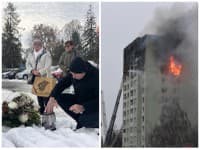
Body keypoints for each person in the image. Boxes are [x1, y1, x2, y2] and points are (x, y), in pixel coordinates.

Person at [45, 57, 99, 129]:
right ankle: (79, 120)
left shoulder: (96, 76)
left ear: (83, 72)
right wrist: (52, 97)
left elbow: (98, 101)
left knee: (85, 120)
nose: (73, 77)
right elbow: (62, 84)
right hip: (79, 99)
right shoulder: (74, 72)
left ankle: (86, 121)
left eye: (75, 75)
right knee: (60, 97)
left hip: (93, 106)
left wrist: (83, 107)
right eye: (71, 74)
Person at [26, 39, 52, 114]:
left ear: (41, 45)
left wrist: (39, 72)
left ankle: (48, 112)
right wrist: (32, 70)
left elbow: (48, 65)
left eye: (38, 44)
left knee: (46, 96)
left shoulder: (46, 54)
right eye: (35, 44)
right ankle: (41, 110)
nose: (36, 46)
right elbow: (27, 64)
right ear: (33, 45)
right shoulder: (30, 53)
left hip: (44, 77)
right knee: (38, 95)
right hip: (35, 76)